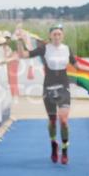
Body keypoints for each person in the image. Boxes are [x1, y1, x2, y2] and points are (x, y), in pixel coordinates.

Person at [15, 23, 77, 165]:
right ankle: (54, 145)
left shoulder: (67, 49)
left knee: (64, 121)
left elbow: (77, 65)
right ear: (50, 36)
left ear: (63, 36)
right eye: (54, 34)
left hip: (63, 87)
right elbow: (23, 55)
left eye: (59, 34)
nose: (56, 36)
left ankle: (65, 149)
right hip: (48, 87)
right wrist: (19, 40)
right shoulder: (44, 49)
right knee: (52, 121)